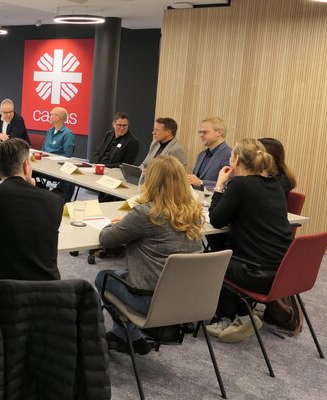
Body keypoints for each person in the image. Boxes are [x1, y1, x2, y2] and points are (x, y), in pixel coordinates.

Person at [95, 155, 203, 355]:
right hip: (187, 300)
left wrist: (117, 225)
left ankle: (128, 336)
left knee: (104, 277)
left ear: (151, 181)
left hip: (151, 301)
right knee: (121, 274)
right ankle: (126, 336)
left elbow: (106, 239)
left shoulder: (146, 214)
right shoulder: (194, 212)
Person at [206, 138, 293, 343]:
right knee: (221, 250)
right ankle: (235, 314)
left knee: (208, 261)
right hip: (282, 270)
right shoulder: (274, 183)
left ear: (236, 160)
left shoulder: (240, 185)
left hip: (256, 273)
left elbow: (216, 220)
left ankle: (239, 316)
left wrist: (219, 185)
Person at [0, 138, 64, 290]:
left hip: (5, 296)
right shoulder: (54, 201)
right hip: (50, 296)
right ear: (26, 166)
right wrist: (33, 187)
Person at [0, 98, 30, 179]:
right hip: (5, 150)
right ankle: (7, 180)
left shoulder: (18, 119)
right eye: (5, 112)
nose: (8, 115)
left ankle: (10, 181)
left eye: (11, 112)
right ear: (0, 112)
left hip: (19, 150)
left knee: (4, 165)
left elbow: (13, 140)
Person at [39, 107, 75, 201]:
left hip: (56, 167)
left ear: (58, 117)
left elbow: (67, 156)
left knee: (69, 179)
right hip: (44, 164)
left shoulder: (68, 134)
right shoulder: (49, 131)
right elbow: (43, 150)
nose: (49, 116)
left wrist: (51, 160)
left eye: (51, 114)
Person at [187, 117, 232, 189]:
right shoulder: (202, 154)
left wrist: (201, 183)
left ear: (219, 132)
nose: (201, 135)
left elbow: (229, 184)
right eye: (200, 132)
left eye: (205, 132)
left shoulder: (229, 154)